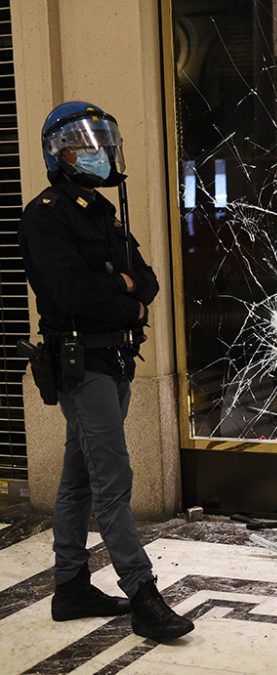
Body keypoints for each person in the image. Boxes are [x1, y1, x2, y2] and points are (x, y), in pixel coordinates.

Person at [18, 101, 194, 643]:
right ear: (60, 153)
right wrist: (125, 295)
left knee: (78, 479)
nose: (96, 153)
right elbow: (72, 292)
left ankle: (70, 583)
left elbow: (146, 280)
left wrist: (125, 290)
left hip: (115, 360)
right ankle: (142, 593)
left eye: (100, 143)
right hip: (81, 365)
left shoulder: (101, 210)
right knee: (113, 482)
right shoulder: (45, 215)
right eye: (82, 145)